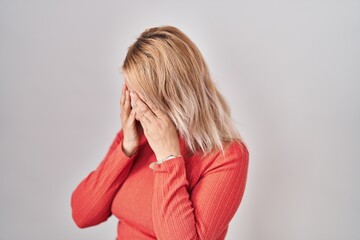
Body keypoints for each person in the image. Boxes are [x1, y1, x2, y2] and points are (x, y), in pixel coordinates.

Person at [71, 25, 249, 240]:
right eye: (129, 91)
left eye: (139, 94)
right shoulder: (136, 137)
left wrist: (169, 158)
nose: (133, 103)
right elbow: (82, 215)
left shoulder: (227, 156)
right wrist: (126, 149)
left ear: (169, 96)